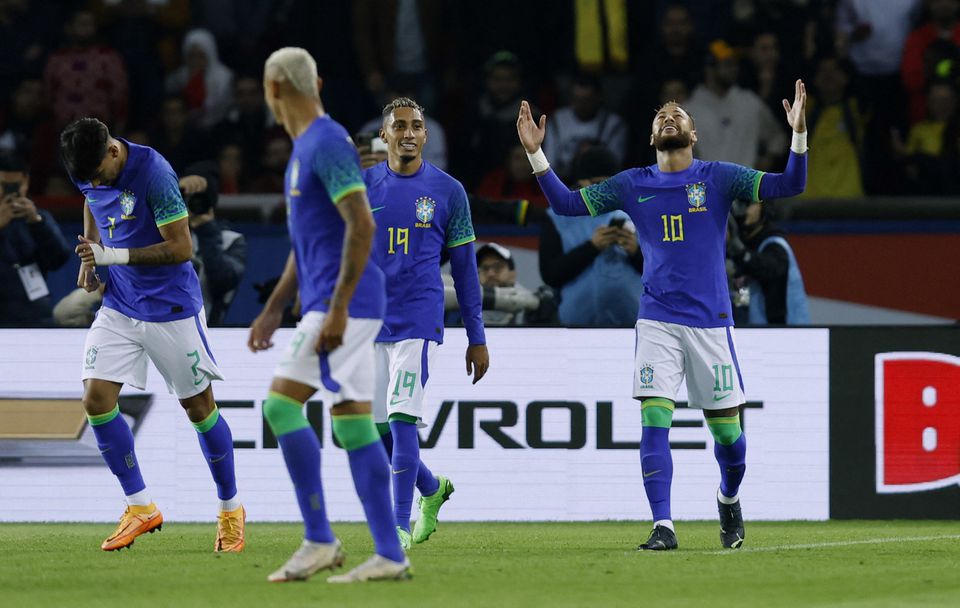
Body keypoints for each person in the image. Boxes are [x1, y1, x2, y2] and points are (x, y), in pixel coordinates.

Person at [517, 77, 808, 550]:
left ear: (694, 135)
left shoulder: (720, 177)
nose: (669, 117)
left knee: (729, 437)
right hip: (656, 318)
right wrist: (536, 154)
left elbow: (792, 183)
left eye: (678, 116)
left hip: (711, 322)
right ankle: (663, 526)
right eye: (661, 117)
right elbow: (567, 204)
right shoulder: (633, 184)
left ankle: (728, 497)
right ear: (653, 137)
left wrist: (797, 133)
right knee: (655, 418)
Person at [247, 47, 408, 583]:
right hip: (341, 302)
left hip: (346, 304)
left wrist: (336, 307)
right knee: (354, 423)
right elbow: (307, 240)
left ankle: (318, 539)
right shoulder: (307, 148)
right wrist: (274, 307)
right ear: (314, 80)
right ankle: (388, 553)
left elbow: (362, 224)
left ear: (273, 90)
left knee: (279, 408)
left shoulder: (326, 141)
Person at [59, 117, 244, 552]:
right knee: (96, 398)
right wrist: (90, 258)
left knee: (200, 409)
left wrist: (112, 254)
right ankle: (140, 506)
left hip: (171, 307)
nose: (92, 182)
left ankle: (230, 510)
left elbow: (183, 248)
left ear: (112, 150)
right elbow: (92, 200)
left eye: (99, 174)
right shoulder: (84, 164)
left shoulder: (155, 173)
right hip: (120, 305)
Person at [364, 96, 488, 550]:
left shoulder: (448, 191)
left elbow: (465, 271)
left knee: (400, 420)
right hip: (369, 323)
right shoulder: (363, 187)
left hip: (418, 319)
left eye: (416, 125)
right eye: (399, 126)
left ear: (426, 134)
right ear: (385, 136)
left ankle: (397, 526)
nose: (409, 133)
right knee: (375, 431)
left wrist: (477, 337)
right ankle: (432, 489)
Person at [539, 146, 644, 327]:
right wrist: (591, 247)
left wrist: (636, 252)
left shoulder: (639, 210)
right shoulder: (557, 217)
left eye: (611, 183)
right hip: (576, 327)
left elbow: (662, 271)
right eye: (597, 183)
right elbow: (550, 275)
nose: (605, 190)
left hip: (634, 325)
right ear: (580, 182)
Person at [685, 40, 786, 171]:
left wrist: (768, 159)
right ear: (710, 69)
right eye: (727, 64)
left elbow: (777, 137)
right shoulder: (689, 110)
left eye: (735, 64)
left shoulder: (749, 102)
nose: (734, 69)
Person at [0, 151, 71, 327]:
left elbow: (59, 259)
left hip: (36, 317)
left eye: (16, 186)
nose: (11, 193)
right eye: (4, 186)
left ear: (26, 182)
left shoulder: (39, 218)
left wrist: (37, 223)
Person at [727, 200, 810, 325]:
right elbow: (742, 298)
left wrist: (741, 254)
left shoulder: (775, 243)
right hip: (754, 333)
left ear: (764, 207)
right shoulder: (742, 244)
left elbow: (770, 271)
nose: (743, 210)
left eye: (749, 204)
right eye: (740, 204)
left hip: (788, 334)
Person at [543, 74, 628, 179]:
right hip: (564, 180)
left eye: (587, 100)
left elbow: (615, 165)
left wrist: (592, 154)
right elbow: (549, 164)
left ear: (599, 97)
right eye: (577, 99)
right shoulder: (557, 120)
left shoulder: (613, 124)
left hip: (601, 182)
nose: (581, 105)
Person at [165, 29, 234, 130]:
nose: (196, 61)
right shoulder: (179, 77)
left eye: (201, 56)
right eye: (191, 56)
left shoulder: (224, 78)